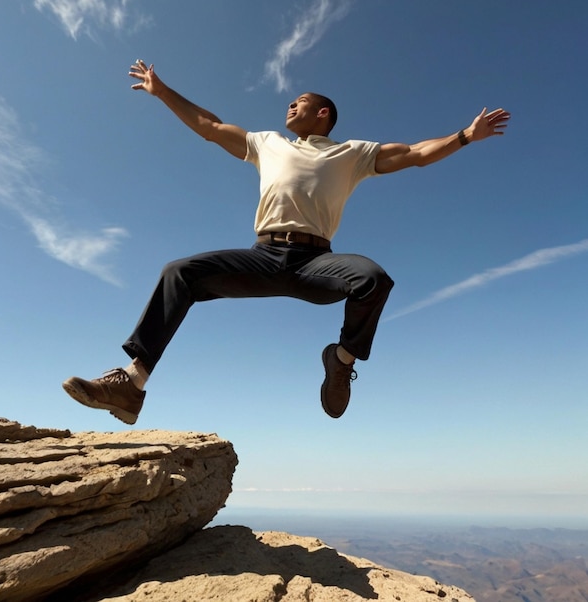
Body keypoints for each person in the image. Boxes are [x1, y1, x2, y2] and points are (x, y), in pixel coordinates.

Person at [62, 59, 510, 425]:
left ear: (323, 114)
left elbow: (414, 154)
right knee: (179, 272)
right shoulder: (267, 143)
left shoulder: (352, 153)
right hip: (263, 256)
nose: (289, 105)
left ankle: (342, 360)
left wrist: (467, 135)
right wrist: (163, 92)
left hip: (316, 264)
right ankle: (131, 385)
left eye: (300, 102)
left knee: (373, 278)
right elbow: (210, 126)